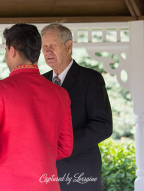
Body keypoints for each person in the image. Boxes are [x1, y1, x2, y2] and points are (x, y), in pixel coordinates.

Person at [0, 23, 73, 191]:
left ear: (12, 51)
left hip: (9, 185)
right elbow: (65, 148)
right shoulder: (60, 94)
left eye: (6, 50)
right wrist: (39, 155)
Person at [41, 23, 113, 191]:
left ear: (68, 46)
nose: (47, 51)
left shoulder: (90, 79)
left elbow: (103, 126)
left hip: (81, 172)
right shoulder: (40, 82)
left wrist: (63, 148)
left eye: (52, 45)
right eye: (44, 47)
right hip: (45, 172)